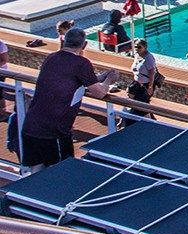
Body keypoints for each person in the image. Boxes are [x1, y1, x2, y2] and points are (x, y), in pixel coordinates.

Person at [21, 28, 117, 170]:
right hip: (53, 131)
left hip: (31, 125)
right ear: (84, 45)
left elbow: (69, 78)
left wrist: (98, 78)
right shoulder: (81, 63)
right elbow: (99, 93)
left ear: (64, 41)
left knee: (36, 173)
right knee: (61, 172)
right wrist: (109, 80)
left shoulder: (51, 58)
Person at [127, 38, 159, 119]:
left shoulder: (148, 58)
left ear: (145, 47)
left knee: (143, 104)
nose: (137, 49)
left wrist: (150, 87)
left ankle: (151, 120)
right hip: (137, 83)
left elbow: (152, 73)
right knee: (133, 98)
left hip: (146, 85)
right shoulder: (137, 55)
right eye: (135, 47)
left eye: (139, 47)